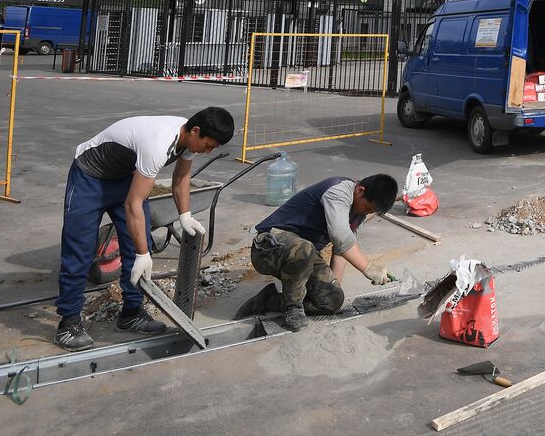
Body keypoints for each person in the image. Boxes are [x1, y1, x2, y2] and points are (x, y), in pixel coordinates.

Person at [54, 107, 235, 351]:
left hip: (124, 176)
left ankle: (131, 313)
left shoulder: (188, 138)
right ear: (196, 131)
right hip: (90, 177)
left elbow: (181, 178)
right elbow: (133, 203)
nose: (208, 151)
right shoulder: (158, 144)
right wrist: (142, 255)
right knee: (80, 250)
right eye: (208, 145)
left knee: (139, 243)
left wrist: (185, 215)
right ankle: (69, 322)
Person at [234, 173, 399, 331]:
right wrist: (368, 267)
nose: (366, 213)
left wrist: (333, 286)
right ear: (360, 190)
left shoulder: (357, 212)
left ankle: (269, 300)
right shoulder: (338, 191)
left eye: (371, 212)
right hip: (267, 248)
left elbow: (341, 250)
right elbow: (340, 236)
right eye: (367, 208)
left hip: (304, 254)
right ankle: (293, 307)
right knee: (305, 249)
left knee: (332, 300)